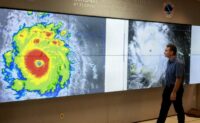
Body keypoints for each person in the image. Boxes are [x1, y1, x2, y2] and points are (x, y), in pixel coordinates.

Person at [157, 44, 185, 123]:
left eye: (166, 50)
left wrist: (174, 92)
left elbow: (178, 79)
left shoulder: (179, 63)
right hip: (168, 88)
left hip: (176, 89)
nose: (164, 52)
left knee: (178, 109)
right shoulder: (168, 62)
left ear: (172, 52)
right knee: (163, 109)